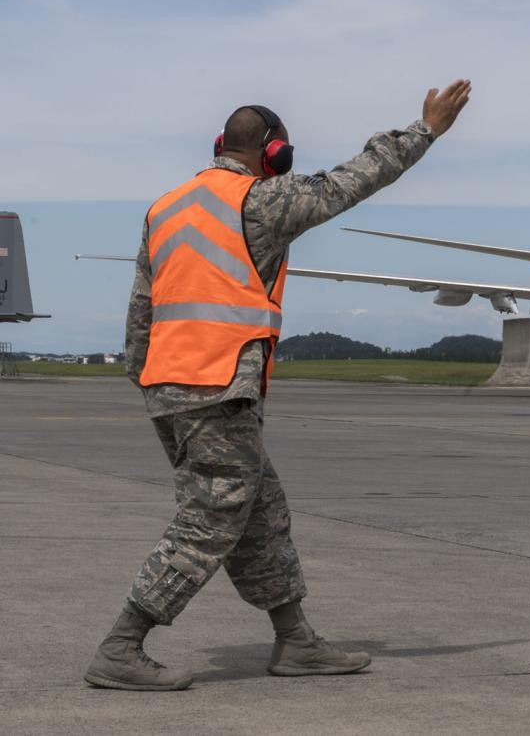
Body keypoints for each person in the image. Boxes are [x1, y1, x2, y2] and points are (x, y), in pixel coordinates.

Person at [85, 80, 472, 691]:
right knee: (210, 519)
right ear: (274, 155)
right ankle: (121, 645)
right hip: (217, 385)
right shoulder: (262, 202)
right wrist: (425, 130)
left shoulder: (166, 208)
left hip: (170, 384)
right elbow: (356, 178)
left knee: (260, 512)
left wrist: (151, 381)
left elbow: (142, 308)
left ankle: (295, 641)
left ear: (220, 145)